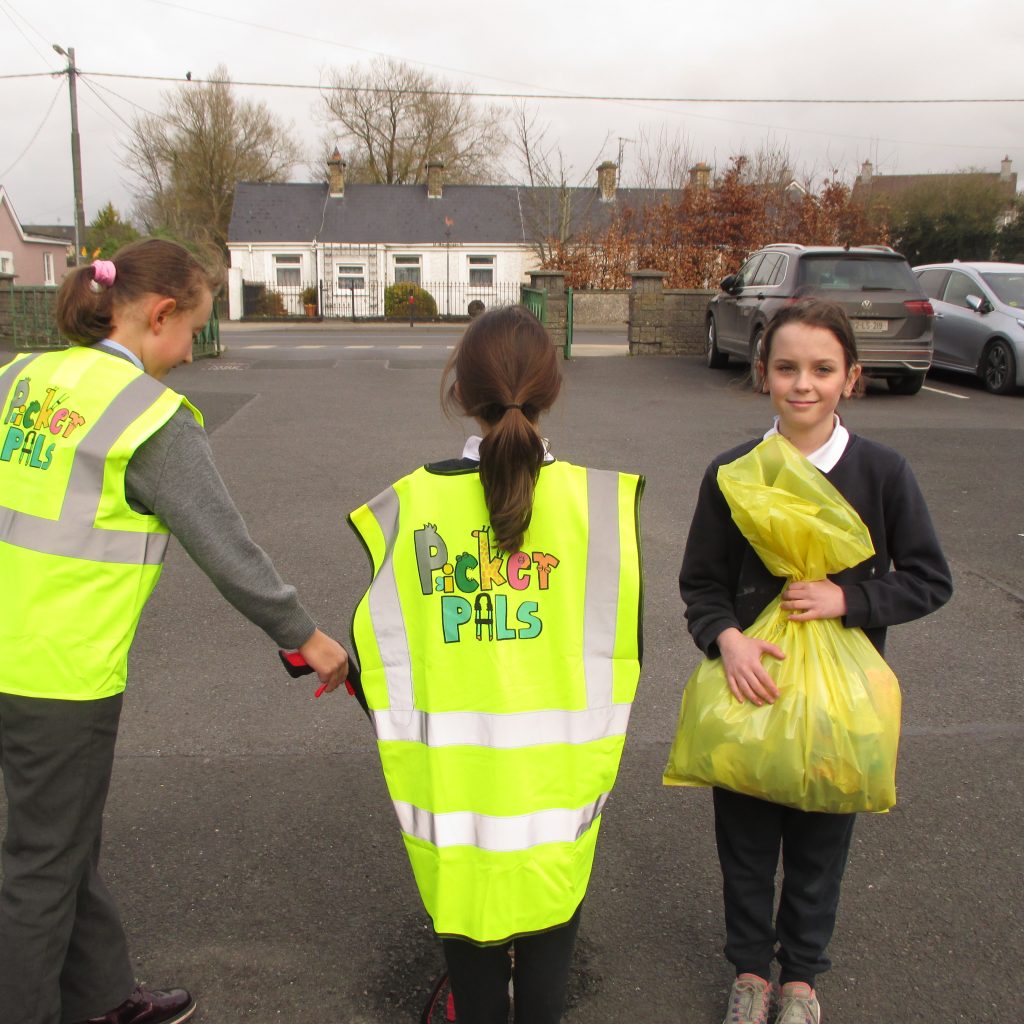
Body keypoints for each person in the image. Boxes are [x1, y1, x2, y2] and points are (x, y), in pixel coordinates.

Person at [0, 240, 349, 1024]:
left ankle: (98, 996)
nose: (194, 348)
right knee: (41, 866)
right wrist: (308, 636)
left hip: (15, 656)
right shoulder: (146, 419)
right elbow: (228, 551)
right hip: (57, 675)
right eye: (194, 327)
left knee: (59, 844)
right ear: (159, 315)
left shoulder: (23, 378)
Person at [348, 306, 644, 1024]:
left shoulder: (407, 506)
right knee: (546, 968)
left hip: (453, 795)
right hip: (558, 790)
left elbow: (381, 660)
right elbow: (627, 651)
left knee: (474, 981)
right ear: (552, 389)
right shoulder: (601, 504)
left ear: (459, 391)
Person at [677, 298, 952, 1024]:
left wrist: (849, 601)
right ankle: (749, 973)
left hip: (838, 702)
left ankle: (800, 976)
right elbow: (701, 584)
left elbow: (929, 578)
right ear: (762, 372)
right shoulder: (734, 472)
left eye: (823, 369)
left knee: (820, 843)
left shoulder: (883, 473)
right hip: (751, 688)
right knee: (744, 843)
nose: (804, 384)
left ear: (851, 378)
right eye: (788, 367)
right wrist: (727, 639)